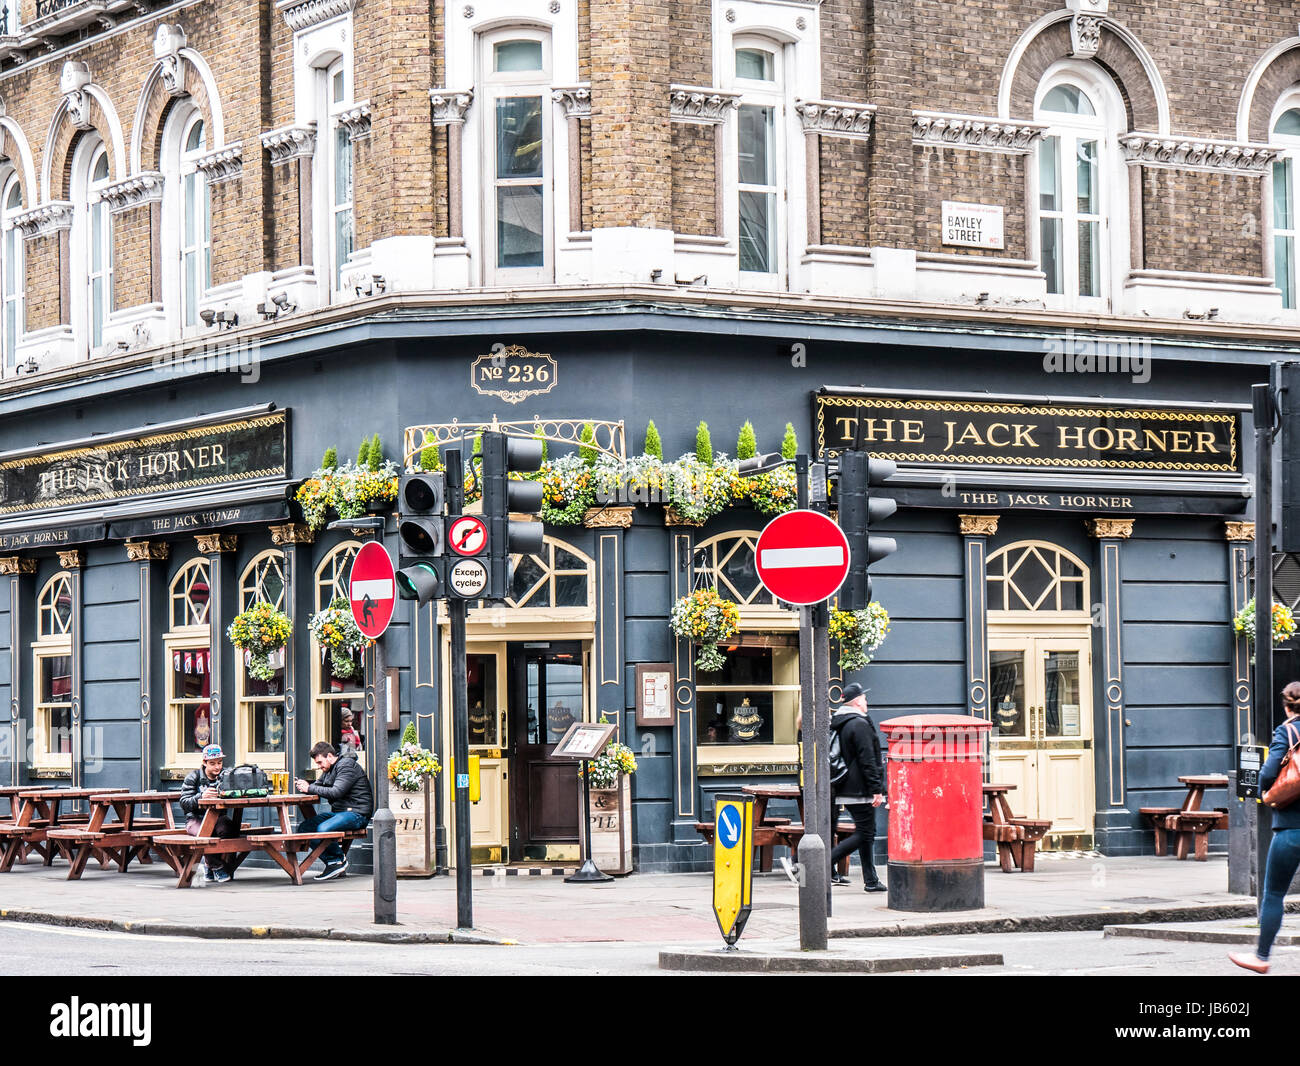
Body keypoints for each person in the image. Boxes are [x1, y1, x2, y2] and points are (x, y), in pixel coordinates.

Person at [1230, 680, 1300, 973]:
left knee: (1273, 894)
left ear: (1286, 706)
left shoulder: (1287, 730)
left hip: (1291, 829)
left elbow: (1269, 773)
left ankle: (1261, 957)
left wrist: (1264, 793)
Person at [829, 683, 887, 892]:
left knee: (866, 833)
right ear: (856, 701)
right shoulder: (859, 724)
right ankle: (821, 863)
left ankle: (871, 880)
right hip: (860, 788)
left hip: (846, 786)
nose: (866, 701)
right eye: (863, 698)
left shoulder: (842, 722)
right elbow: (868, 759)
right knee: (865, 833)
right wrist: (877, 788)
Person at [295, 740, 373, 881]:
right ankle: (334, 862)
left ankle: (336, 860)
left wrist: (310, 788)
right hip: (340, 813)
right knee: (305, 827)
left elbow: (336, 792)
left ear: (330, 756)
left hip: (357, 813)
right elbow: (317, 786)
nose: (318, 767)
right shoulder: (329, 769)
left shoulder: (346, 766)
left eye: (320, 762)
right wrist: (306, 785)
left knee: (323, 828)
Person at [179, 743, 240, 883]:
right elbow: (184, 803)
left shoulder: (227, 776)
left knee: (230, 829)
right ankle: (217, 867)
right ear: (204, 762)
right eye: (212, 763)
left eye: (219, 762)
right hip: (195, 819)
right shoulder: (192, 777)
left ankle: (210, 865)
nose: (217, 767)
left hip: (219, 817)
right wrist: (201, 797)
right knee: (206, 832)